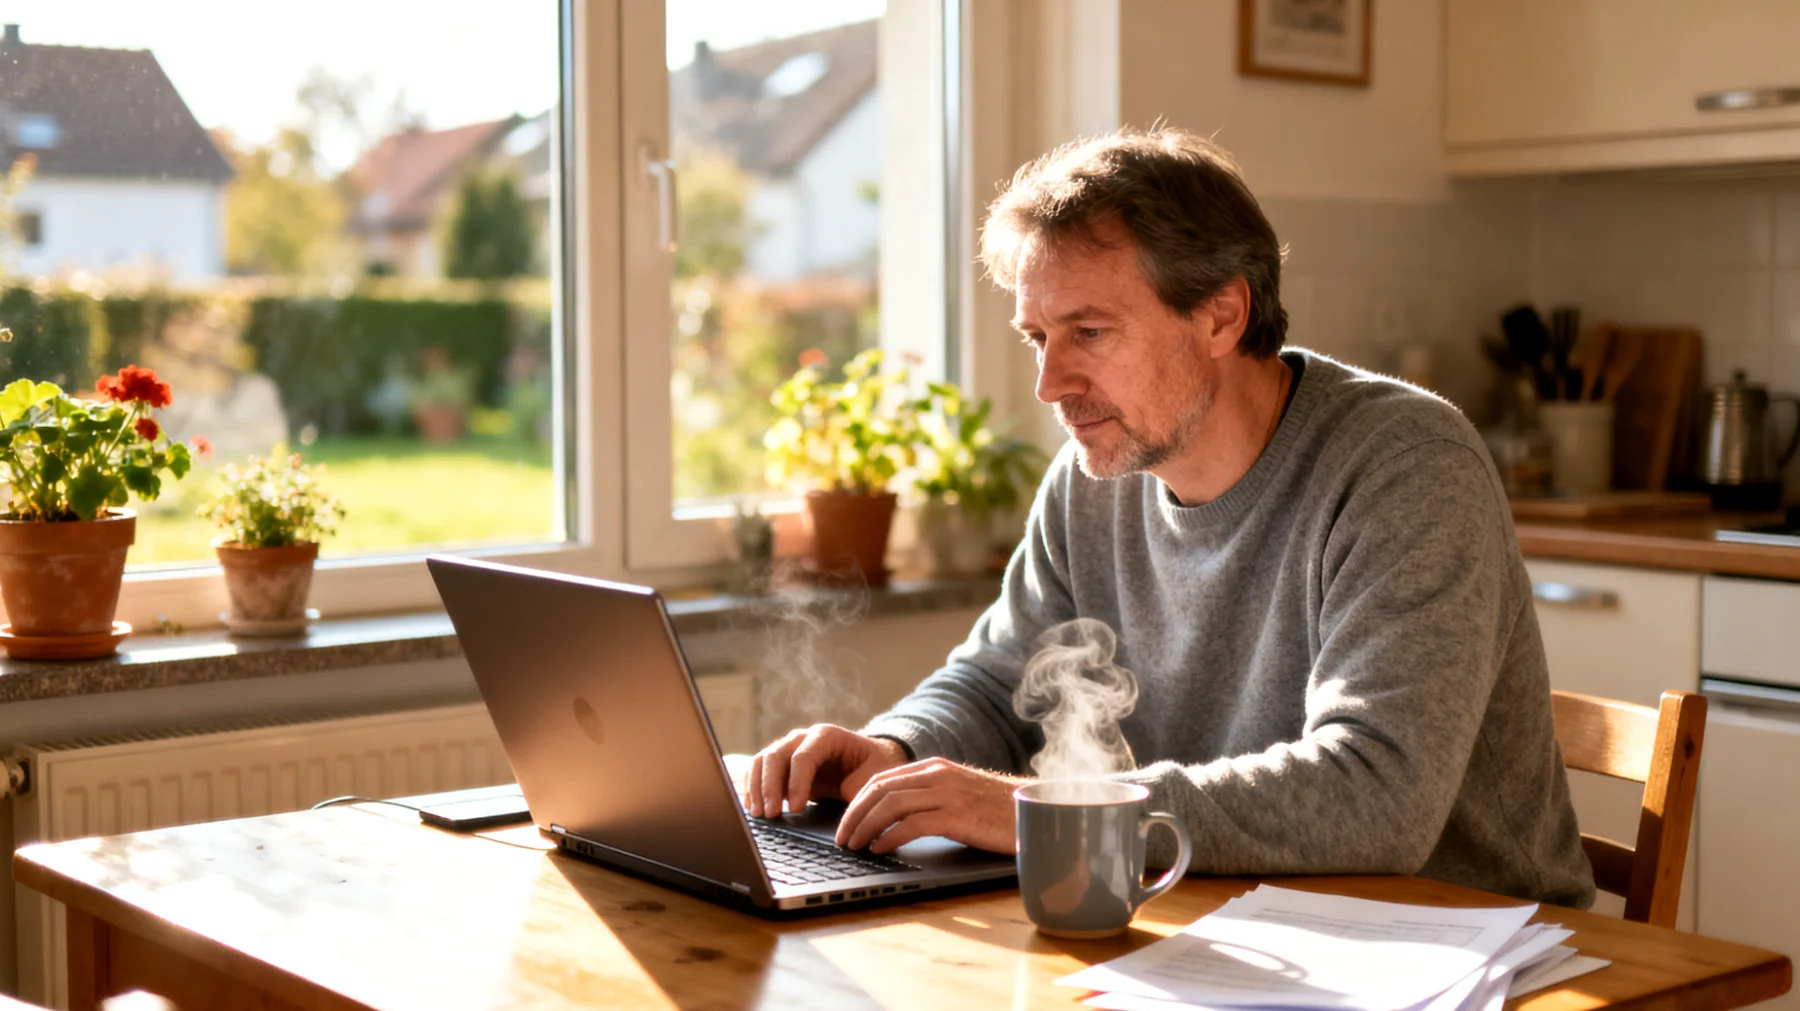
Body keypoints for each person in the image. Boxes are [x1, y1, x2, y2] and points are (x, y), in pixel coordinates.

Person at [743, 127, 1594, 907]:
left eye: (1089, 330)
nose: (1051, 385)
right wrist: (892, 751)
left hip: (1461, 953)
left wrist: (1047, 810)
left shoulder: (1405, 466)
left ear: (1222, 313)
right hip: (1227, 929)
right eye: (1039, 337)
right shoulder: (1095, 476)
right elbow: (999, 681)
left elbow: (1379, 791)